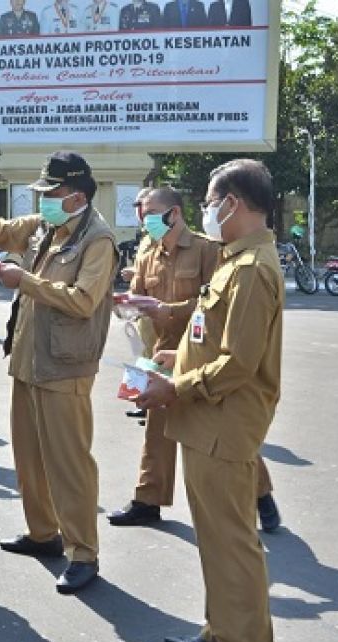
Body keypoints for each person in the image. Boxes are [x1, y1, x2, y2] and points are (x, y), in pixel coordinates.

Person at [134, 159, 281, 642]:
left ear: (232, 203)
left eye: (209, 203)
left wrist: (175, 387)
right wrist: (181, 356)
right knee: (218, 545)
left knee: (233, 548)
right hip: (208, 423)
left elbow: (239, 364)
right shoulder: (235, 260)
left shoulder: (253, 269)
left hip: (224, 426)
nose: (206, 212)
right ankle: (220, 630)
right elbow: (218, 338)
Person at [0, 151, 116, 594]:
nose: (45, 201)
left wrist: (23, 281)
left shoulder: (98, 239)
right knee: (29, 457)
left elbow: (84, 299)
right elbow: (2, 229)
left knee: (69, 463)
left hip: (65, 365)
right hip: (29, 359)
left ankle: (83, 552)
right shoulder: (47, 226)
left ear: (75, 196)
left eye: (52, 194)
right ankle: (43, 534)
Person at [108, 186, 281, 531]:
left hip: (203, 353)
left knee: (223, 436)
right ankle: (147, 499)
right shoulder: (147, 252)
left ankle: (260, 493)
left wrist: (167, 310)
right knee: (155, 428)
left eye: (150, 212)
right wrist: (128, 304)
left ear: (174, 213)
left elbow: (214, 304)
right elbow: (140, 294)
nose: (144, 220)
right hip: (160, 350)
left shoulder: (206, 249)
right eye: (141, 214)